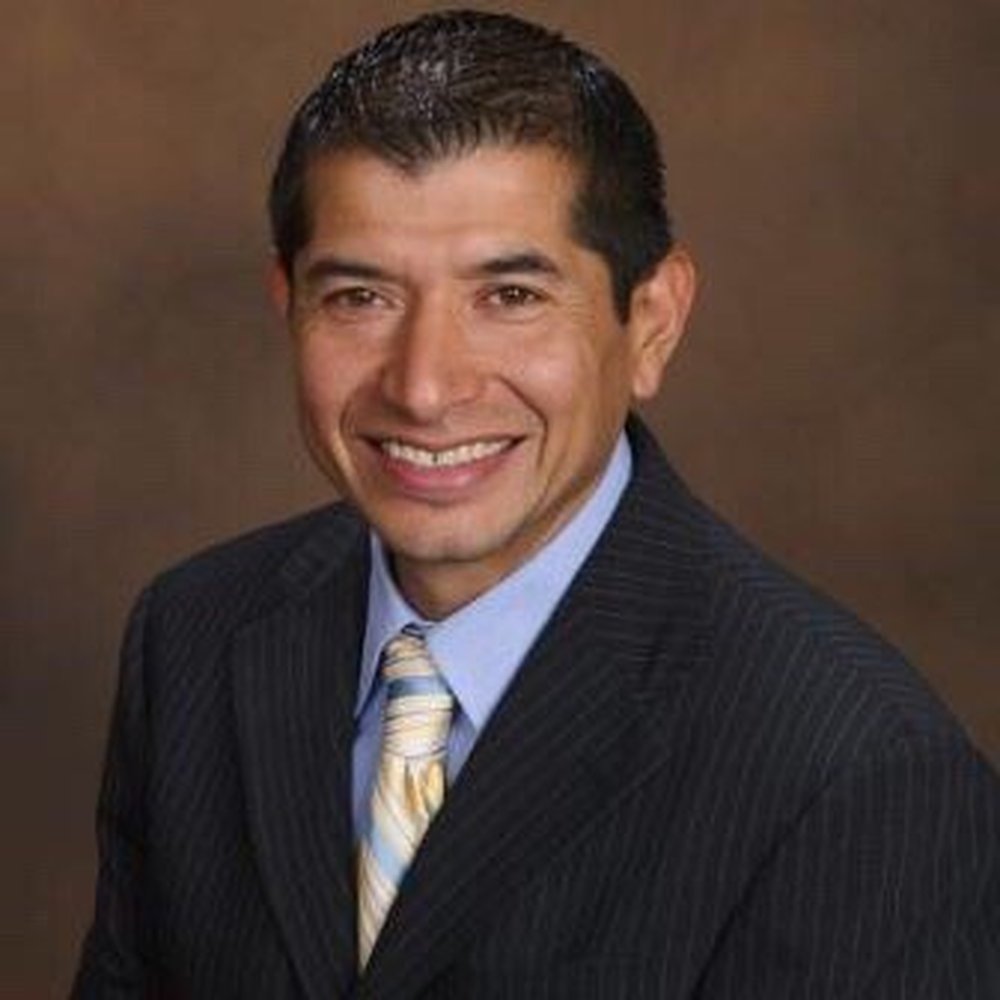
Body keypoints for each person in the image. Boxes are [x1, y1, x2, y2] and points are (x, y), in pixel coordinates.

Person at [72, 10, 999, 998]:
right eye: (360, 297)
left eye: (509, 296)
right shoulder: (192, 637)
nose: (424, 386)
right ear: (287, 303)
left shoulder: (859, 774)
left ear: (651, 322)